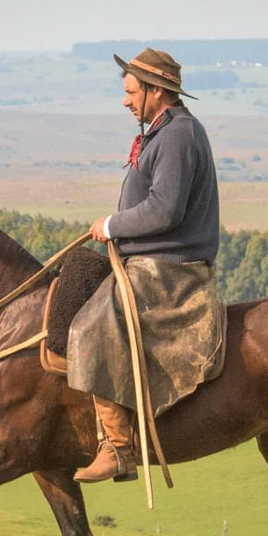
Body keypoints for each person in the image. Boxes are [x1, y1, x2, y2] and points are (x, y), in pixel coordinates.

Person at [67, 47, 225, 483]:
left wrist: (112, 224)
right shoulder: (164, 132)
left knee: (88, 327)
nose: (125, 100)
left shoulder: (176, 135)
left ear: (157, 91)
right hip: (151, 258)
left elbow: (165, 210)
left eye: (132, 91)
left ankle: (117, 447)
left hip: (168, 270)